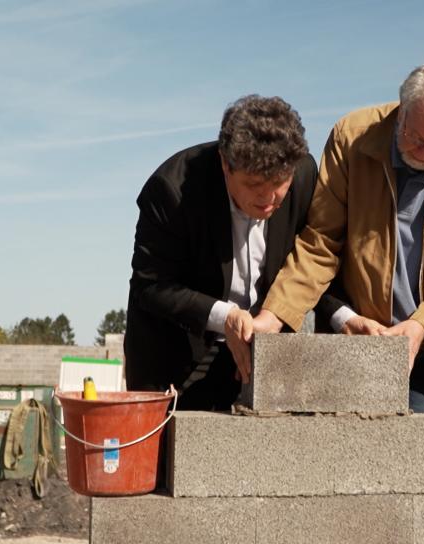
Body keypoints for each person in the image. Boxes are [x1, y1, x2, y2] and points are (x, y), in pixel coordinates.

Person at [230, 52, 424, 413]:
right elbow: (321, 241)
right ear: (403, 107)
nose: (419, 151)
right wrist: (275, 314)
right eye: (412, 134)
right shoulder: (352, 136)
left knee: (414, 451)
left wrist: (421, 326)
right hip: (353, 338)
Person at [124, 95, 316, 411]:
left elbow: (315, 254)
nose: (268, 198)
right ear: (225, 164)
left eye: (280, 183)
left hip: (258, 348)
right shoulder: (169, 190)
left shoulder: (305, 172)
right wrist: (225, 316)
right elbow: (151, 286)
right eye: (254, 184)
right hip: (177, 353)